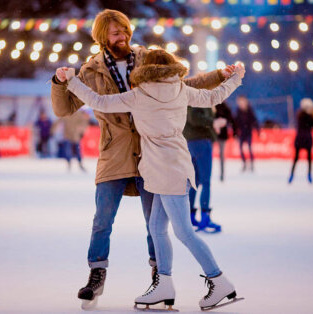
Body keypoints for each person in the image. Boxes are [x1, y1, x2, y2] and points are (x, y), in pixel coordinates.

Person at [50, 9, 238, 307]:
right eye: (115, 33)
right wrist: (62, 83)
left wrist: (219, 76)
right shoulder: (92, 71)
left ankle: (182, 278)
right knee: (116, 221)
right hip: (121, 153)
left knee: (166, 228)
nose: (123, 36)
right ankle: (115, 276)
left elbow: (185, 85)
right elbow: (65, 110)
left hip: (153, 159)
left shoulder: (146, 66)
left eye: (125, 30)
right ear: (102, 38)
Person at [184, 106, 221, 233]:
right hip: (200, 141)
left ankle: (190, 216)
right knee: (205, 181)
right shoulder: (197, 95)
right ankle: (204, 217)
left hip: (192, 141)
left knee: (196, 180)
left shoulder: (190, 94)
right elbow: (194, 118)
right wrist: (212, 121)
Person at [289, 98, 313, 184]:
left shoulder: (300, 115)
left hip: (300, 139)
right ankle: (308, 175)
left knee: (297, 158)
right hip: (306, 139)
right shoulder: (308, 117)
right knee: (308, 158)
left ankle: (292, 175)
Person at [235, 95, 259, 172]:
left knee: (249, 148)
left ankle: (251, 163)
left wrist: (258, 129)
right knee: (241, 148)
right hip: (242, 133)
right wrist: (235, 133)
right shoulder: (238, 111)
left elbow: (254, 120)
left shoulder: (249, 110)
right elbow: (236, 123)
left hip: (248, 132)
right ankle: (244, 163)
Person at [213, 102, 236, 182]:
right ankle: (207, 174)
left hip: (220, 136)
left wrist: (234, 133)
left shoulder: (225, 108)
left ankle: (222, 174)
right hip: (212, 135)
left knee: (221, 156)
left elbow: (231, 121)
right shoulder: (212, 105)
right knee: (210, 155)